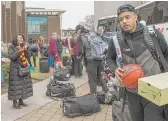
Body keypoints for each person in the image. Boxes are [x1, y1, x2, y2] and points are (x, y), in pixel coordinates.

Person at [106, 4, 168, 121]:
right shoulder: (116, 40)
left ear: (135, 17)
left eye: (127, 17)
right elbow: (109, 58)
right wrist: (115, 68)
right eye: (121, 19)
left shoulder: (152, 34)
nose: (124, 21)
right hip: (131, 91)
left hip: (153, 91)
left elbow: (166, 55)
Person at [76, 24, 112, 103]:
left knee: (92, 79)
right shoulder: (93, 34)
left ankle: (93, 98)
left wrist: (78, 57)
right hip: (100, 59)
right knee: (100, 77)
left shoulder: (81, 37)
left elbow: (80, 51)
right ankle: (107, 92)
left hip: (91, 60)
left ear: (79, 30)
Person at [8, 34, 33, 109]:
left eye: (21, 37)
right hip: (15, 69)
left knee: (22, 84)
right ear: (16, 39)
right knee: (15, 86)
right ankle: (14, 103)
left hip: (23, 67)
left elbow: (28, 56)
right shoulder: (11, 46)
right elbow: (12, 56)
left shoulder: (23, 46)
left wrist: (26, 49)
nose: (20, 39)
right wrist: (20, 50)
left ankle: (21, 100)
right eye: (19, 38)